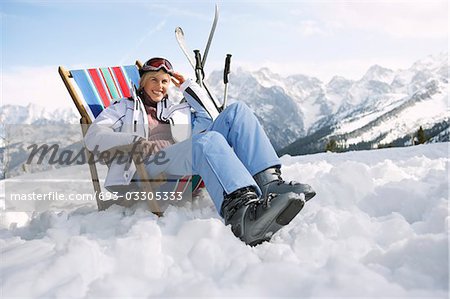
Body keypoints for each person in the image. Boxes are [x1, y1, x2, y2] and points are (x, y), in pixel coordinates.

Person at [84, 57, 316, 246]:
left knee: (238, 111)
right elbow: (93, 136)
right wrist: (133, 141)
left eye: (165, 81)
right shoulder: (122, 107)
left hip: (178, 156)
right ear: (142, 82)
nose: (160, 85)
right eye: (153, 79)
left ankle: (269, 184)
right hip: (144, 165)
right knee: (207, 141)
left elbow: (211, 116)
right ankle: (242, 215)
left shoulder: (175, 108)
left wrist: (187, 86)